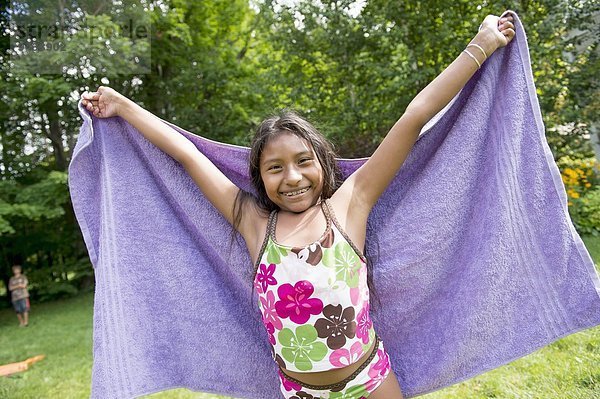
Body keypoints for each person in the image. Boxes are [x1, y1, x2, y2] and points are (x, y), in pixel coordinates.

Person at [81, 12, 515, 399]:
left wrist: (481, 44)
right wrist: (123, 106)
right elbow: (187, 155)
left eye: (303, 161)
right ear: (260, 178)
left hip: (371, 380)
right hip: (300, 393)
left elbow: (414, 116)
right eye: (275, 168)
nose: (292, 177)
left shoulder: (350, 204)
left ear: (323, 163)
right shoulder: (253, 224)